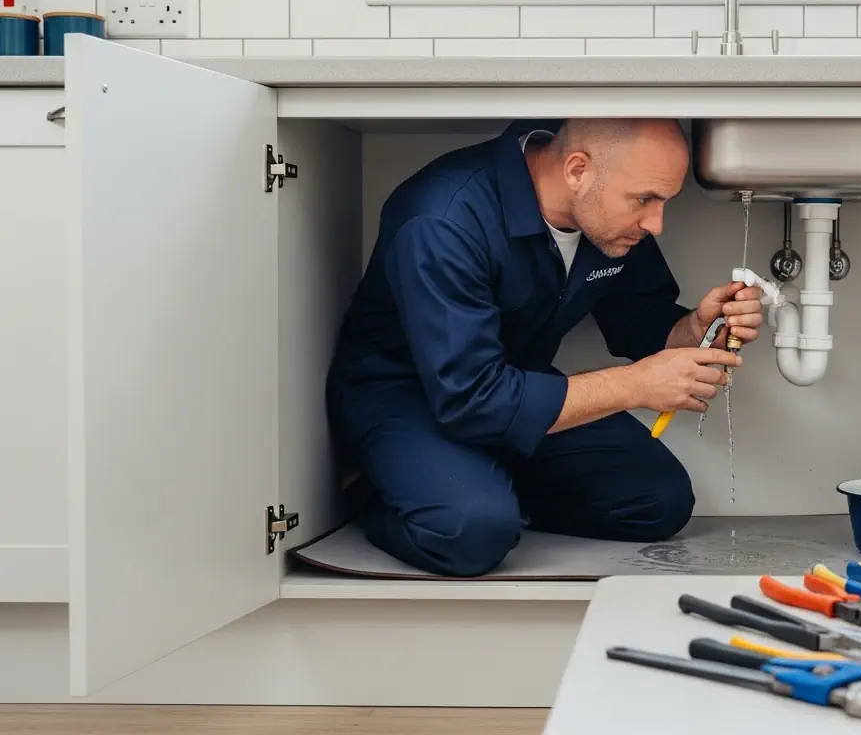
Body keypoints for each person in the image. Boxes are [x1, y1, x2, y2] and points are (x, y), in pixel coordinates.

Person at [325, 118, 765, 577]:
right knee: (472, 534)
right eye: (645, 200)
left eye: (664, 201)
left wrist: (695, 326)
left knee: (658, 501)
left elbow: (640, 320)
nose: (655, 223)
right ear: (577, 171)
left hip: (515, 388)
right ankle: (383, 490)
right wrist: (637, 386)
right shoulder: (443, 217)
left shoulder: (606, 220)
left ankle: (482, 490)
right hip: (408, 396)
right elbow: (471, 398)